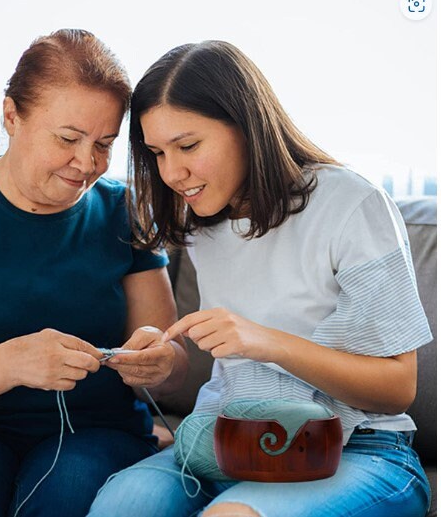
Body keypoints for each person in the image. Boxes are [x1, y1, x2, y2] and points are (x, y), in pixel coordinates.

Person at [88, 40, 432, 517]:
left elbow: (398, 387)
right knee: (121, 506)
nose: (173, 172)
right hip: (232, 444)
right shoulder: (201, 219)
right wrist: (162, 362)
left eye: (188, 146)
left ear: (247, 126)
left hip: (358, 450)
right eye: (157, 153)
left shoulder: (351, 204)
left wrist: (266, 342)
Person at [0, 29, 187, 517]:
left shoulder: (125, 213)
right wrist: (9, 364)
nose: (87, 163)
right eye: (68, 138)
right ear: (11, 116)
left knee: (64, 496)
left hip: (92, 433)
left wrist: (163, 363)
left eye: (104, 144)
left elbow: (169, 362)